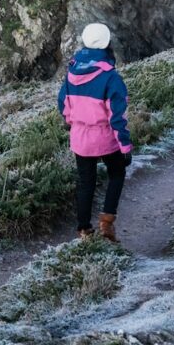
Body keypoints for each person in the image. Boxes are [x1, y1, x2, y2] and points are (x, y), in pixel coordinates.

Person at [57, 22, 132, 242]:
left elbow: (63, 104)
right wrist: (125, 146)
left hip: (80, 138)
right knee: (117, 173)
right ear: (107, 43)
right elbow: (117, 118)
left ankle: (84, 231)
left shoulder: (72, 72)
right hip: (106, 138)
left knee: (85, 182)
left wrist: (75, 122)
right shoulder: (111, 77)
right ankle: (106, 222)